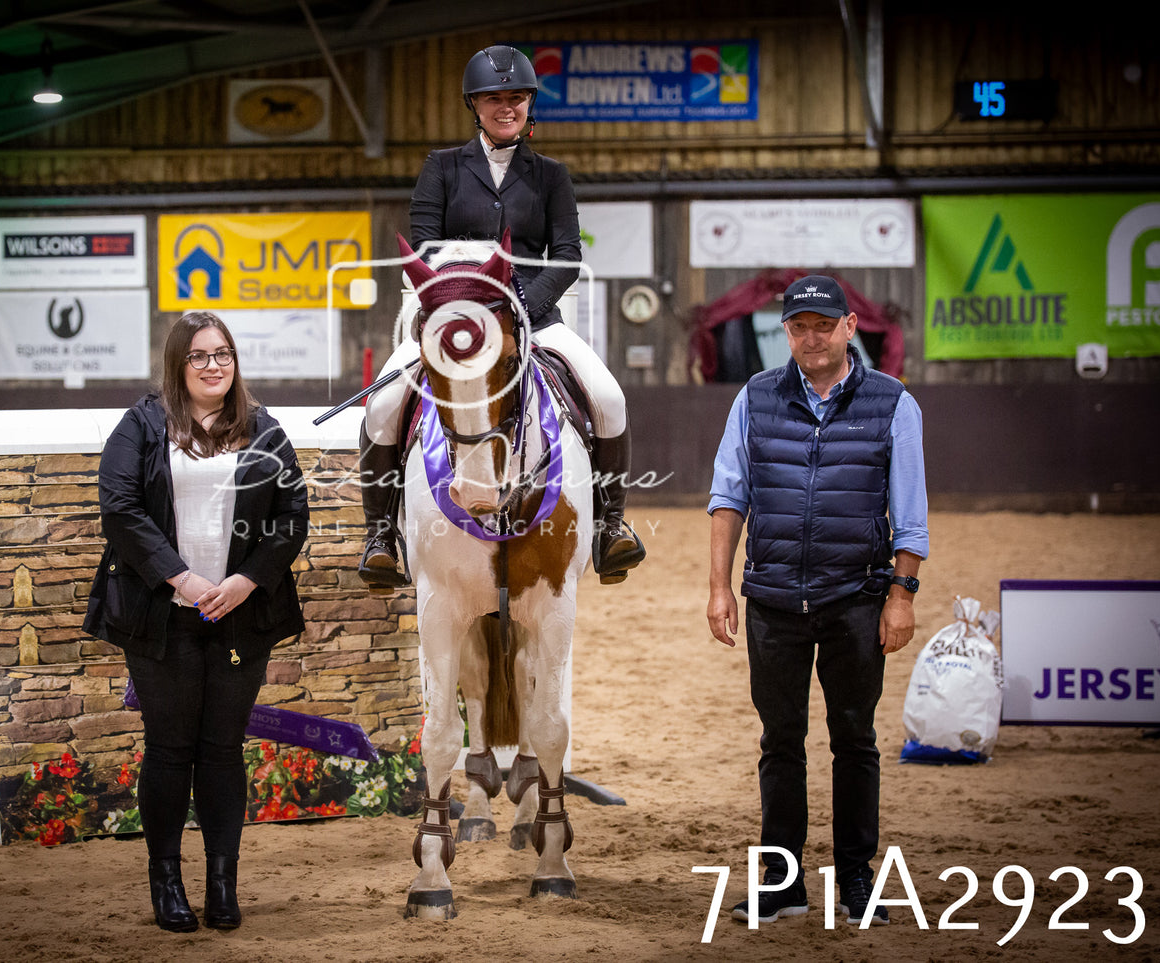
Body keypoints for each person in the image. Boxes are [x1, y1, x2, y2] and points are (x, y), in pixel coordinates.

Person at [357, 43, 645, 589]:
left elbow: (567, 256)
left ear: (529, 104)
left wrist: (522, 309)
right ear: (475, 105)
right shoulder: (442, 167)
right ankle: (381, 537)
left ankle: (610, 526)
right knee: (384, 404)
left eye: (516, 97)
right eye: (494, 98)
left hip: (535, 319)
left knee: (609, 398)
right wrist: (455, 310)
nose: (506, 107)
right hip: (453, 322)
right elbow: (424, 248)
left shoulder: (551, 175)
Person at [705, 275, 928, 927]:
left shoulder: (892, 403)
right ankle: (782, 883)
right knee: (780, 742)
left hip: (856, 599)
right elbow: (728, 495)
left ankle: (856, 878)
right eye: (798, 327)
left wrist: (901, 595)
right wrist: (718, 586)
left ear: (849, 327)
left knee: (855, 740)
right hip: (772, 601)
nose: (811, 338)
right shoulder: (754, 396)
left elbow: (910, 516)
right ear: (786, 332)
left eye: (823, 326)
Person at [83, 311, 309, 933]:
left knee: (222, 750)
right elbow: (120, 510)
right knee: (169, 749)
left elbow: (292, 516)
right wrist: (182, 579)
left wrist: (245, 582)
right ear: (178, 364)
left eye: (223, 354)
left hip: (240, 616)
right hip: (164, 615)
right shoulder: (141, 425)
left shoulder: (264, 428)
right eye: (200, 356)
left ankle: (221, 884)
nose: (214, 366)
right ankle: (167, 884)